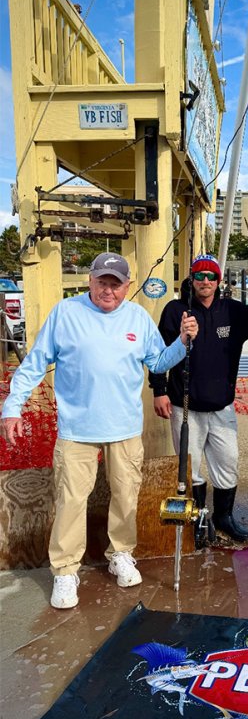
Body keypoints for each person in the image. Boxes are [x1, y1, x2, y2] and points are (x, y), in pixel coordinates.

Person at [0, 252, 199, 609]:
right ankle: (64, 571)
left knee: (126, 495)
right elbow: (34, 364)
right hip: (76, 429)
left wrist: (182, 343)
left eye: (116, 284)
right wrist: (12, 408)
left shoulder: (138, 317)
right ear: (89, 280)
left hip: (124, 427)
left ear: (127, 286)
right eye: (102, 282)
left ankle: (120, 553)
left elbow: (157, 362)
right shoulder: (66, 313)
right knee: (71, 501)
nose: (109, 290)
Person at [149, 254, 248, 542]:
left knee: (227, 464)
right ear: (191, 279)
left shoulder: (231, 311)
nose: (205, 281)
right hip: (185, 407)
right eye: (199, 276)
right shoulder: (174, 310)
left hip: (222, 407)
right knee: (190, 468)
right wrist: (159, 391)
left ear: (219, 281)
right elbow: (158, 355)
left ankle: (224, 516)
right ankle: (199, 518)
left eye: (210, 276)